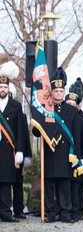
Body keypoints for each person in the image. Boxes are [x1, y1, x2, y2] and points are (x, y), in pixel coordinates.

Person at [32, 67, 82, 223]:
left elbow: (77, 134)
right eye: (56, 91)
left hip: (66, 153)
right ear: (51, 92)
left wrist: (77, 155)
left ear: (64, 91)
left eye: (61, 91)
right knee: (49, 185)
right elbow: (36, 132)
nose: (59, 93)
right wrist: (36, 123)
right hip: (50, 152)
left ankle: (66, 213)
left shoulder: (72, 111)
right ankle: (51, 213)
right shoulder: (46, 109)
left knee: (65, 185)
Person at [0, 61, 26, 223]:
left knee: (4, 184)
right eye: (0, 87)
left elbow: (21, 131)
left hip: (8, 150)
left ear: (8, 89)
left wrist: (20, 151)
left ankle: (5, 213)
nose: (2, 90)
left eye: (4, 87)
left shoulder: (15, 106)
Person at [65, 79, 83, 222]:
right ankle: (70, 209)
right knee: (70, 184)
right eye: (68, 104)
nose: (71, 107)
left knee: (80, 184)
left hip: (81, 154)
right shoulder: (64, 117)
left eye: (73, 104)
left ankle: (78, 210)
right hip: (68, 156)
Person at [10, 81, 31, 220]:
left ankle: (18, 210)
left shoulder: (19, 112)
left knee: (17, 183)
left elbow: (24, 135)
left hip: (16, 152)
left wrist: (26, 154)